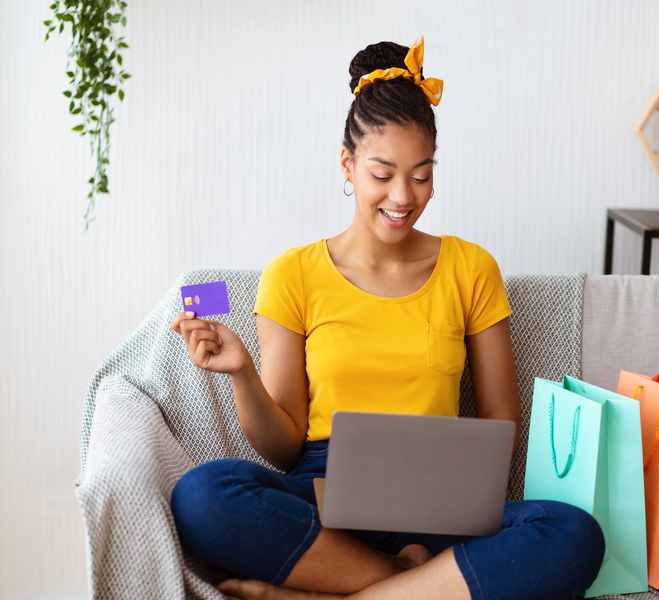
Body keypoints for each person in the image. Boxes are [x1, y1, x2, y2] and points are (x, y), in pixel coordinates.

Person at [169, 37, 605, 600]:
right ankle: (412, 583)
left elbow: (501, 418)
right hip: (326, 494)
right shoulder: (292, 274)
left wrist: (455, 491)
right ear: (347, 165)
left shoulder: (472, 268)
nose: (404, 196)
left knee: (573, 535)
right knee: (203, 496)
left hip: (441, 496)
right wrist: (242, 374)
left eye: (421, 175)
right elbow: (282, 449)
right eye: (383, 174)